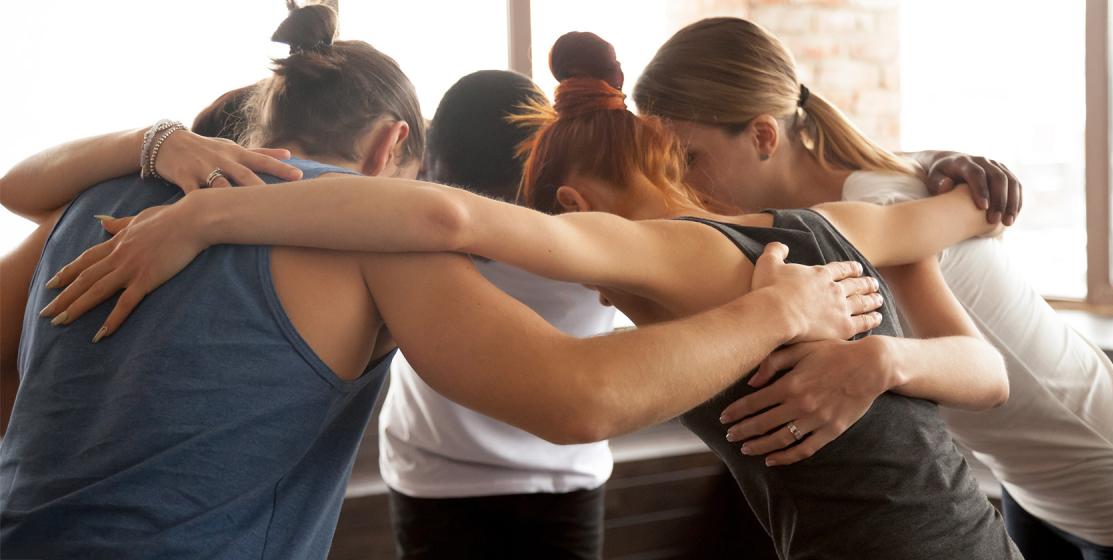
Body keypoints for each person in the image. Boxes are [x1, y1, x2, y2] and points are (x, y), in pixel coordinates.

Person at [41, 33, 1028, 558]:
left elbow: (454, 224)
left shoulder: (658, 252)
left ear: (570, 196)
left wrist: (205, 211)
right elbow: (964, 226)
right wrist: (955, 174)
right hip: (977, 536)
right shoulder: (830, 228)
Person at [632, 16, 1113, 559]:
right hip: (1034, 494)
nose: (679, 181)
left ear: (762, 135)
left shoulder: (886, 210)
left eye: (688, 158)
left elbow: (985, 368)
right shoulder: (836, 217)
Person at [382, 70, 615, 559]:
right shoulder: (594, 227)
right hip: (543, 477)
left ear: (433, 156)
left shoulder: (406, 223)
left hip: (442, 475)